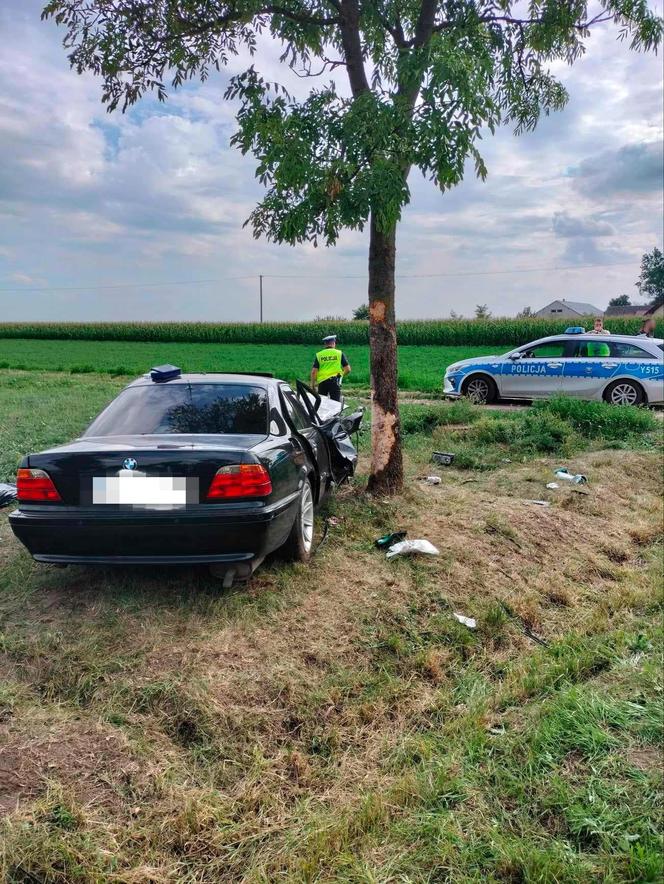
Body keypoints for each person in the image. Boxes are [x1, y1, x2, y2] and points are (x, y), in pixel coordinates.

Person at [310, 334, 351, 401]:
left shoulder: (319, 355)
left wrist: (313, 385)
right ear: (333, 343)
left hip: (322, 382)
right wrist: (340, 376)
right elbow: (348, 369)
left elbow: (314, 372)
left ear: (325, 344)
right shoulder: (339, 353)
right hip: (334, 381)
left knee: (322, 403)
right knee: (336, 404)